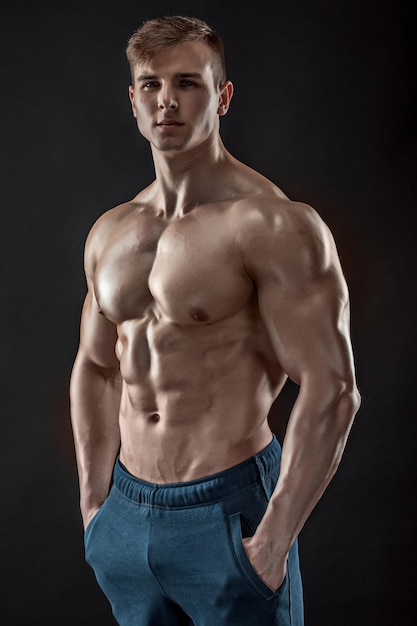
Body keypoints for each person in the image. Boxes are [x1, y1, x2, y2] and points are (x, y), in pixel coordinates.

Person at [70, 15, 361, 626]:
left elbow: (333, 389)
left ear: (222, 96)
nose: (166, 101)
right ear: (132, 99)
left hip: (227, 514)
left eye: (188, 83)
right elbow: (96, 368)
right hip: (125, 509)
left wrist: (273, 541)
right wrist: (95, 506)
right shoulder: (112, 231)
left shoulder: (273, 225)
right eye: (149, 84)